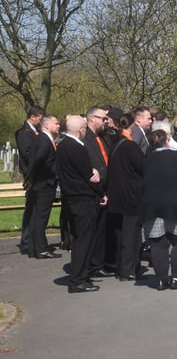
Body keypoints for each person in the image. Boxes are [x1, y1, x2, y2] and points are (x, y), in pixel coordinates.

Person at [57, 115, 106, 293]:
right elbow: (88, 175)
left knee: (80, 239)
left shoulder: (62, 145)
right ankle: (78, 279)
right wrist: (100, 189)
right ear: (80, 130)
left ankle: (81, 276)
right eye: (84, 128)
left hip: (72, 197)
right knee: (84, 241)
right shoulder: (76, 147)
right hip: (82, 198)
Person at [143, 129, 177, 290]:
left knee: (158, 242)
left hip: (153, 205)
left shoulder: (146, 160)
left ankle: (161, 279)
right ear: (167, 140)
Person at [107, 113, 145, 281]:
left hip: (117, 196)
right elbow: (143, 167)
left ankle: (121, 267)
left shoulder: (116, 144)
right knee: (131, 235)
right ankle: (128, 269)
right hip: (130, 197)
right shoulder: (130, 146)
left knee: (120, 234)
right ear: (133, 126)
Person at [84, 106, 115, 278]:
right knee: (93, 230)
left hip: (105, 188)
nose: (105, 122)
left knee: (102, 229)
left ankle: (99, 263)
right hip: (92, 190)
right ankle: (92, 265)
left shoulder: (103, 138)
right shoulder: (85, 138)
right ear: (91, 119)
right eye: (102, 119)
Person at [25, 114, 61, 258]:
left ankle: (34, 248)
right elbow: (37, 161)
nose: (58, 126)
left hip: (41, 184)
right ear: (47, 125)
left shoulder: (44, 139)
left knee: (36, 217)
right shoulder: (44, 140)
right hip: (44, 184)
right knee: (41, 218)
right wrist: (31, 179)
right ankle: (41, 249)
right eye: (56, 123)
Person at [15, 105, 45, 254]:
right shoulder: (24, 133)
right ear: (32, 117)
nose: (40, 121)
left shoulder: (35, 131)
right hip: (32, 175)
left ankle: (33, 240)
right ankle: (26, 242)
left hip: (38, 175)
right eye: (39, 118)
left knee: (36, 209)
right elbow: (27, 153)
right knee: (30, 209)